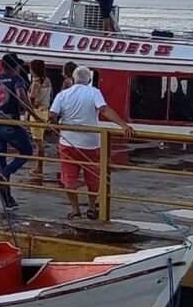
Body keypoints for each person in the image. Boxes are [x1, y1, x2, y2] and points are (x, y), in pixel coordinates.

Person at [49, 65, 134, 220]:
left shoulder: (63, 94)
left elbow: (52, 115)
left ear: (73, 78)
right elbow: (103, 109)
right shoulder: (94, 92)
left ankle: (75, 211)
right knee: (93, 176)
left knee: (69, 177)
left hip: (68, 142)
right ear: (89, 80)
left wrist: (57, 126)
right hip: (91, 143)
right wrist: (123, 125)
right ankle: (92, 207)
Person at [0, 52, 44, 210]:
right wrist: (35, 116)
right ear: (16, 67)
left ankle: (7, 201)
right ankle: (8, 172)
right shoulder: (16, 80)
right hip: (10, 124)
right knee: (27, 151)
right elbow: (22, 97)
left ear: (2, 65)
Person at [28, 59, 53, 176]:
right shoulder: (47, 81)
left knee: (38, 143)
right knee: (40, 141)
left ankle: (39, 168)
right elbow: (50, 94)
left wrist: (31, 105)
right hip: (45, 112)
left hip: (37, 113)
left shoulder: (36, 83)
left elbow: (32, 97)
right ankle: (39, 167)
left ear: (33, 70)